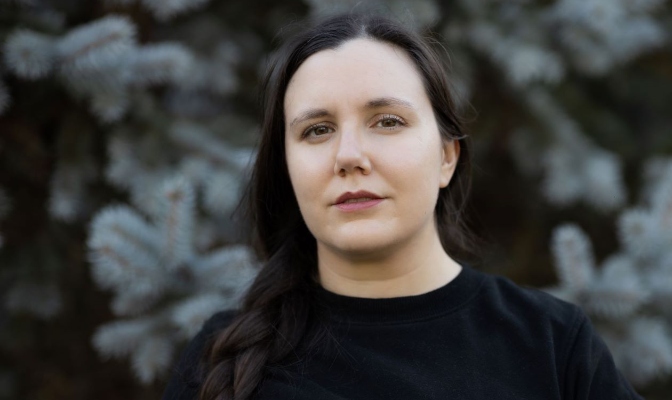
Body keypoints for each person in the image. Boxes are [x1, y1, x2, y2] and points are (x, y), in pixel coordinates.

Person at [162, 12, 644, 400]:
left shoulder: (552, 344)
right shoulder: (224, 362)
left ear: (446, 158)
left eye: (387, 121)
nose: (349, 155)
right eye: (317, 130)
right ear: (287, 169)